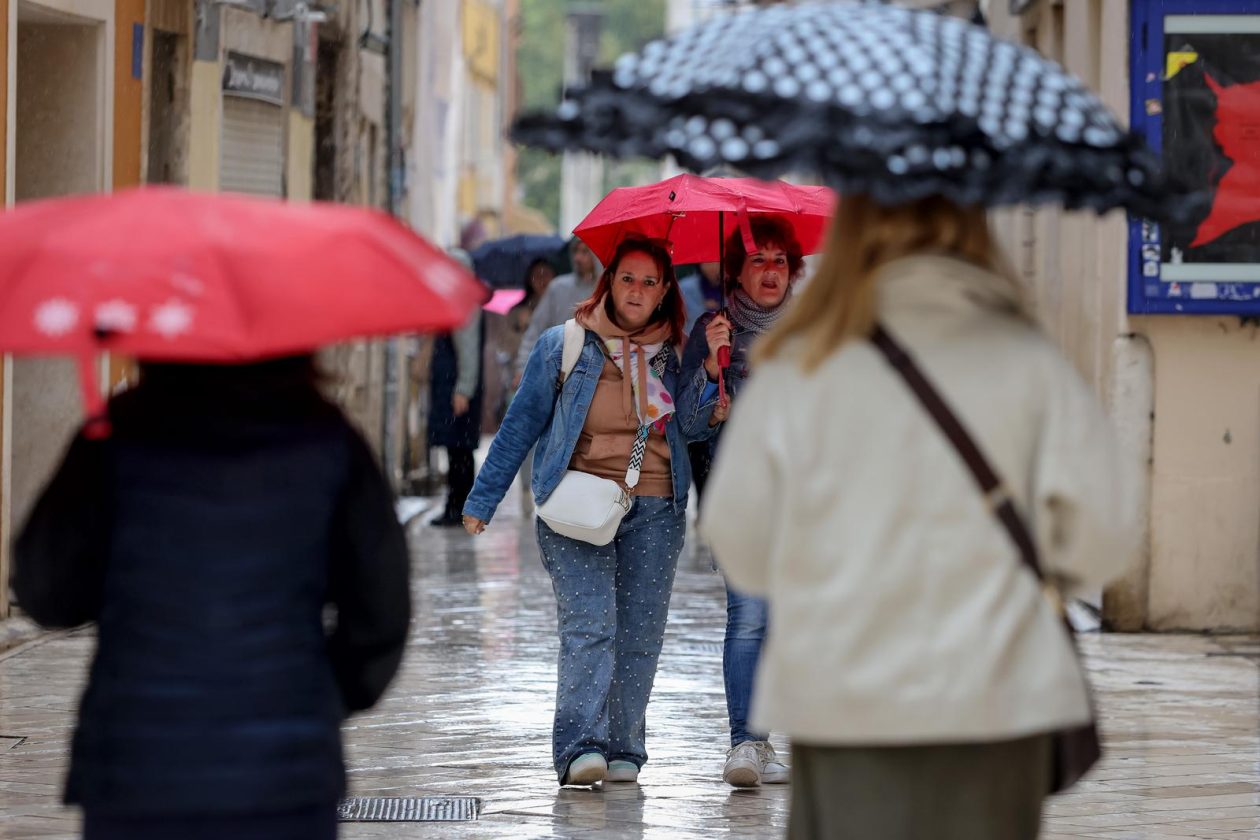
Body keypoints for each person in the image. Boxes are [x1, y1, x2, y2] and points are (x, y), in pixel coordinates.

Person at [702, 195, 1139, 839]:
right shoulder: (1026, 358)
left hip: (849, 689)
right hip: (997, 691)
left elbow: (738, 538)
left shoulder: (805, 361)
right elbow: (1104, 538)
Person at [12, 356, 411, 840]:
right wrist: (323, 697)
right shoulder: (328, 438)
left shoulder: (119, 433)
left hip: (139, 771)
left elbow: (46, 591)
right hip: (283, 777)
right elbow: (381, 607)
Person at [462, 238, 693, 787]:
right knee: (590, 624)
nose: (636, 291)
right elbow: (519, 426)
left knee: (640, 632)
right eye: (627, 278)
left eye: (649, 282)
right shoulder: (564, 345)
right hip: (576, 505)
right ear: (609, 282)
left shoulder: (679, 356)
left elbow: (699, 431)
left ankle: (625, 747)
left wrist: (714, 380)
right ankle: (580, 746)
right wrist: (482, 499)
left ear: (664, 292)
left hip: (655, 508)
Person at [675, 216, 802, 788]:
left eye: (780, 261)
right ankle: (745, 744)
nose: (771, 272)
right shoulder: (714, 329)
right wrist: (710, 374)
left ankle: (772, 741)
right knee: (750, 618)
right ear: (736, 272)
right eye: (758, 260)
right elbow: (688, 424)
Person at [511, 238, 603, 511]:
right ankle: (531, 488)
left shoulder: (607, 289)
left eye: (585, 251)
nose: (579, 257)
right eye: (576, 251)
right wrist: (522, 367)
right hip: (555, 375)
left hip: (594, 379)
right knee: (534, 431)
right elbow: (535, 331)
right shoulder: (558, 288)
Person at [428, 248, 488, 527]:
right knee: (457, 450)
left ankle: (458, 508)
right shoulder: (459, 300)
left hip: (457, 389)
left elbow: (468, 350)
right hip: (452, 386)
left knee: (459, 450)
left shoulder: (465, 303)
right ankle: (457, 506)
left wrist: (463, 389)